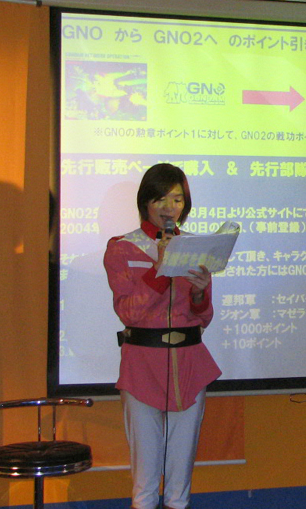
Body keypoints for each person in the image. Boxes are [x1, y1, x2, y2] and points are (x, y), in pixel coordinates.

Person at [104, 163, 221, 509]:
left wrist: (199, 293)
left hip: (189, 362)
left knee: (180, 477)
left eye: (178, 200)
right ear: (146, 202)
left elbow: (204, 316)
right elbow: (129, 312)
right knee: (144, 479)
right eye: (161, 199)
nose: (170, 208)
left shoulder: (195, 247)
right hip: (142, 363)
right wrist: (160, 268)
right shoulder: (123, 247)